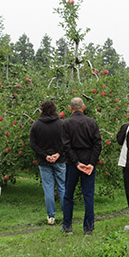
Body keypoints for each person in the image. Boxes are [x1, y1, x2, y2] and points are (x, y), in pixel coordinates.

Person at [61, 97, 102, 235]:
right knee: (88, 195)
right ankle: (88, 228)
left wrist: (76, 162)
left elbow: (66, 146)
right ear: (83, 107)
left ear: (70, 108)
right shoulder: (91, 123)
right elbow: (97, 144)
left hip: (73, 164)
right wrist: (91, 163)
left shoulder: (66, 124)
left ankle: (67, 226)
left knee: (68, 194)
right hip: (88, 163)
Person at [30, 100, 66, 225]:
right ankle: (66, 214)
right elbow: (66, 141)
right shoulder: (61, 124)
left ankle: (51, 216)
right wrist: (58, 154)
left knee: (48, 188)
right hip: (60, 160)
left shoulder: (36, 125)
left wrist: (45, 155)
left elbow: (33, 144)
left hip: (43, 161)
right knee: (62, 187)